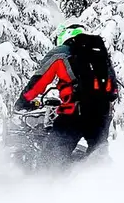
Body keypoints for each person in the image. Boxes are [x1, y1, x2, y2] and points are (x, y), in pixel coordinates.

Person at [15, 21, 118, 161]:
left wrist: (23, 102)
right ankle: (103, 180)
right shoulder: (99, 53)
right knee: (97, 158)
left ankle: (45, 181)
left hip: (74, 114)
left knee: (50, 160)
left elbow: (39, 81)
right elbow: (113, 91)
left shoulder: (60, 53)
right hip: (102, 114)